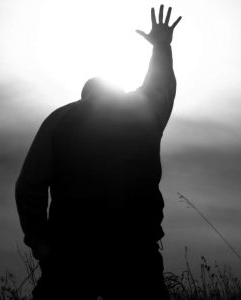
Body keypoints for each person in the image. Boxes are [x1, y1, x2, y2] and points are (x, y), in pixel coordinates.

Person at [15, 5, 181, 300]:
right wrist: (161, 45)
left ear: (85, 94)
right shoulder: (144, 112)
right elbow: (161, 86)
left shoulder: (59, 119)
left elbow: (30, 184)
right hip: (136, 247)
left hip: (72, 250)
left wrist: (39, 241)